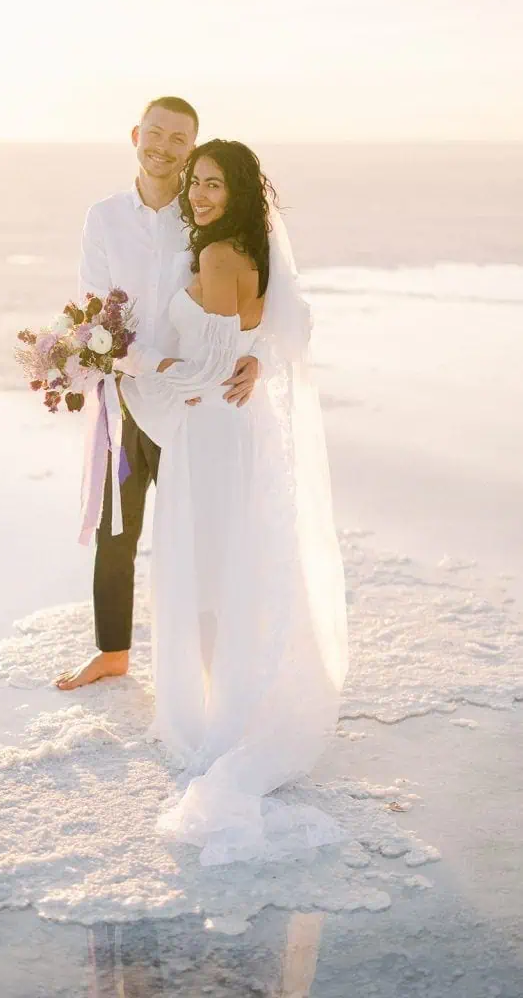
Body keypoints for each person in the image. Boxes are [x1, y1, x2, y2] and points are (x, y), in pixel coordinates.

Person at [118, 140, 349, 864]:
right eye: (195, 183)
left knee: (210, 568)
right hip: (228, 427)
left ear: (240, 191)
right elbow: (266, 338)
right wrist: (248, 354)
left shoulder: (219, 256)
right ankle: (237, 695)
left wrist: (126, 363)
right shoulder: (247, 251)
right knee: (225, 563)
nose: (199, 195)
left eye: (214, 184)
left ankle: (224, 716)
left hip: (214, 432)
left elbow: (211, 364)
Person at [54, 98, 264, 691]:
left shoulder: (203, 214)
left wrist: (259, 358)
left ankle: (206, 664)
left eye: (179, 139)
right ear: (135, 135)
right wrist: (147, 363)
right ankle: (112, 652)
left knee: (194, 531)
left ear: (191, 147)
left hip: (195, 406)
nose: (165, 147)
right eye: (155, 134)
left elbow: (259, 291)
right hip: (125, 396)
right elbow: (94, 311)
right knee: (116, 531)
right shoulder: (103, 217)